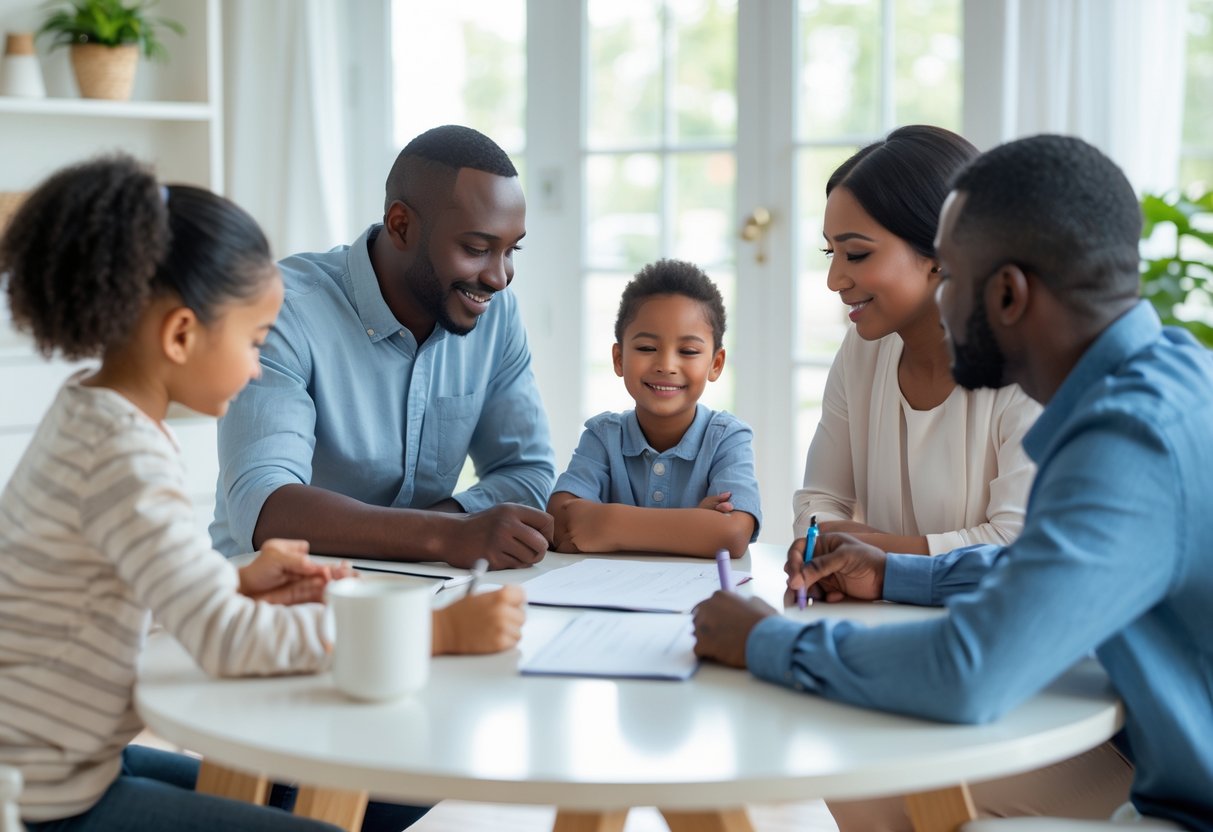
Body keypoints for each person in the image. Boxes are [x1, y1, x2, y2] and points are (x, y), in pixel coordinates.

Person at [694, 134, 1213, 830]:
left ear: (1004, 294)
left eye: (952, 279)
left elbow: (969, 671)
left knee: (877, 771)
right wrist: (899, 575)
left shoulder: (1126, 441)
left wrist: (762, 640)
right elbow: (1050, 567)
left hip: (1175, 804)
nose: (940, 301)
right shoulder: (1172, 376)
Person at [0, 155, 528, 832]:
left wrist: (234, 581)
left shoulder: (90, 414)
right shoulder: (123, 456)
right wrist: (431, 632)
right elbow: (227, 643)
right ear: (182, 335)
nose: (258, 364)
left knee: (322, 800)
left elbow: (103, 589)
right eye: (253, 340)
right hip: (45, 794)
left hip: (77, 761)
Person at [209, 125, 556, 569]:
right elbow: (265, 507)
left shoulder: (495, 314)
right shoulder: (282, 310)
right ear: (401, 225)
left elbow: (527, 472)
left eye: (511, 251)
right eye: (476, 248)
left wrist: (440, 532)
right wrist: (448, 535)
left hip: (419, 589)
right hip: (269, 601)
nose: (499, 276)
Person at [793, 125, 1040, 555]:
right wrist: (846, 548)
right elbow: (817, 502)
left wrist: (875, 555)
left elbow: (1014, 544)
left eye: (856, 254)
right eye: (831, 253)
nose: (834, 280)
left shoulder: (1030, 368)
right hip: (875, 612)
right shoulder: (861, 351)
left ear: (943, 253)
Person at [547, 259, 760, 557]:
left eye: (688, 351)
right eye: (647, 348)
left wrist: (605, 524)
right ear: (619, 358)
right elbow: (559, 522)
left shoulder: (728, 438)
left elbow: (732, 534)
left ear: (716, 364)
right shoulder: (602, 435)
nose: (666, 366)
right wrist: (695, 526)